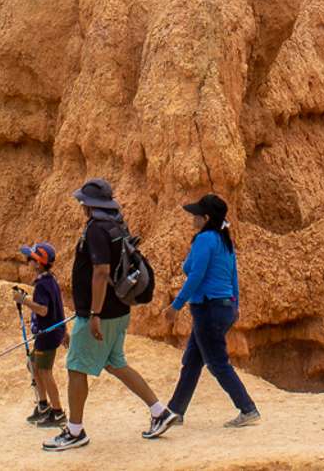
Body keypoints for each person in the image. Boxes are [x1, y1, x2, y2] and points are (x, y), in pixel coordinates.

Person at [43, 178, 174, 453]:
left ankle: (75, 431)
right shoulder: (116, 225)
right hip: (119, 310)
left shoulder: (97, 230)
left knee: (76, 368)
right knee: (116, 363)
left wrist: (94, 313)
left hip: (100, 314)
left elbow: (101, 272)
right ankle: (159, 411)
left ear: (88, 204)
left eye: (82, 202)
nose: (80, 205)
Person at [143, 193, 259, 439]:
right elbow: (232, 276)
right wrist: (235, 305)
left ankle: (248, 408)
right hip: (223, 306)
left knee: (217, 363)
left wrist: (175, 306)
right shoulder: (224, 240)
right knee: (193, 361)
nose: (192, 218)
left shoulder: (205, 239)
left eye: (196, 215)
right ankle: (176, 410)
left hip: (208, 308)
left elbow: (194, 275)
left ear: (206, 218)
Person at [12, 242, 67, 429]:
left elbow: (43, 310)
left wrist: (24, 300)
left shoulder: (43, 285)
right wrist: (64, 331)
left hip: (47, 335)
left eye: (30, 259)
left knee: (45, 371)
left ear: (38, 263)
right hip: (49, 333)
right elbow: (58, 307)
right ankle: (43, 405)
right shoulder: (50, 280)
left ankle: (58, 412)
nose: (28, 261)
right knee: (33, 364)